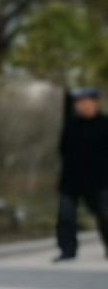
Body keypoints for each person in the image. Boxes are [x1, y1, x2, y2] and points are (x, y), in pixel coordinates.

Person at [55, 87, 108, 261]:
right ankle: (67, 251)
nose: (82, 105)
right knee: (66, 216)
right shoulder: (71, 125)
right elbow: (62, 149)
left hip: (100, 180)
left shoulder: (104, 124)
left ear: (94, 103)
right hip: (71, 180)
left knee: (104, 215)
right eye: (79, 102)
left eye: (85, 101)